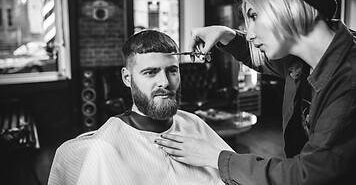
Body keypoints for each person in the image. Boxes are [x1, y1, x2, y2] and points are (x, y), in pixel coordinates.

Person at [155, 0, 356, 185]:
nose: (250, 34)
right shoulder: (303, 57)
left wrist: (216, 157)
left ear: (289, 7)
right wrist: (226, 35)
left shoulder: (351, 78)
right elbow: (262, 59)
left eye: (253, 16)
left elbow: (309, 174)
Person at [47, 30, 233, 185]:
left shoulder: (193, 123)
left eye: (172, 71)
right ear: (127, 78)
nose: (165, 82)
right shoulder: (106, 148)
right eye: (150, 72)